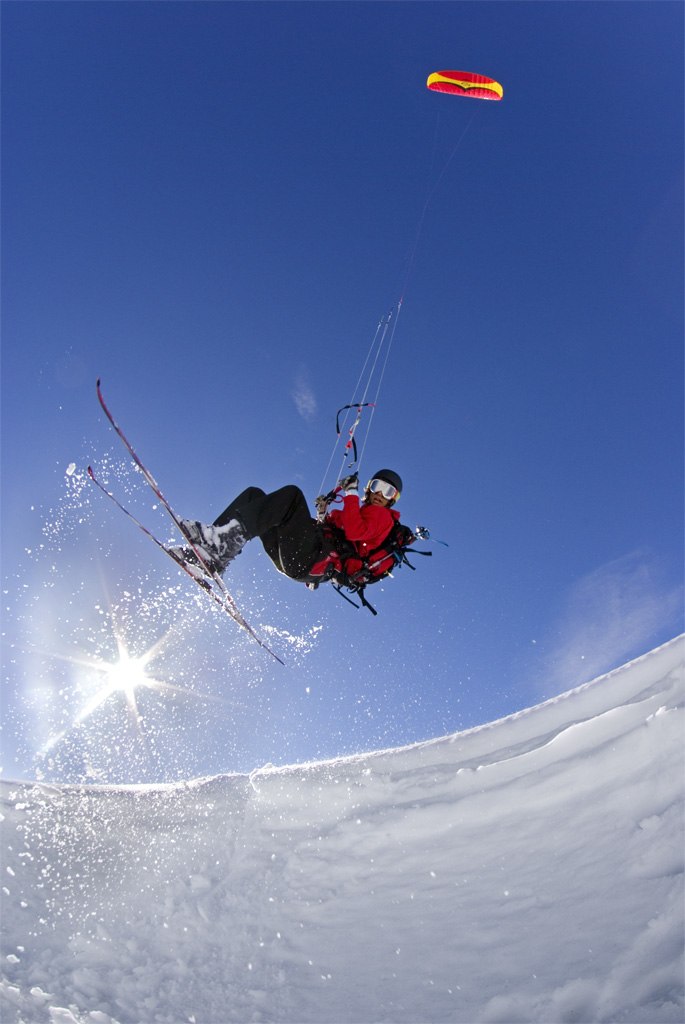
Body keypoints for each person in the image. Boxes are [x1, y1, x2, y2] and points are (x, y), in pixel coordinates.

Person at [173, 470, 409, 590]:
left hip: (310, 559)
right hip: (302, 559)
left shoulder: (382, 517)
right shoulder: (355, 512)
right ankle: (210, 553)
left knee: (292, 496)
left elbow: (354, 532)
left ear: (393, 499)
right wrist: (323, 513)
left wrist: (350, 492)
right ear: (369, 489)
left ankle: (219, 547)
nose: (380, 494)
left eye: (388, 491)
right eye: (377, 486)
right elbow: (338, 534)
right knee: (255, 496)